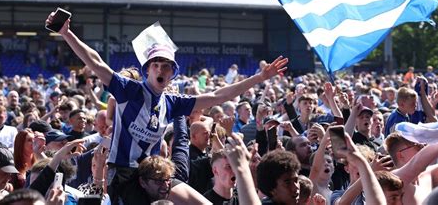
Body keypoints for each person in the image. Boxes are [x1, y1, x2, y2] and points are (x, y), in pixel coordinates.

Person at [46, 12, 288, 204]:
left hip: (154, 175)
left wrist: (260, 77)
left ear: (173, 73)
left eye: (166, 66)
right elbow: (95, 61)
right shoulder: (128, 90)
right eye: (156, 65)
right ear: (147, 69)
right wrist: (67, 34)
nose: (161, 70)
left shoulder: (173, 102)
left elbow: (217, 95)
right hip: (123, 175)